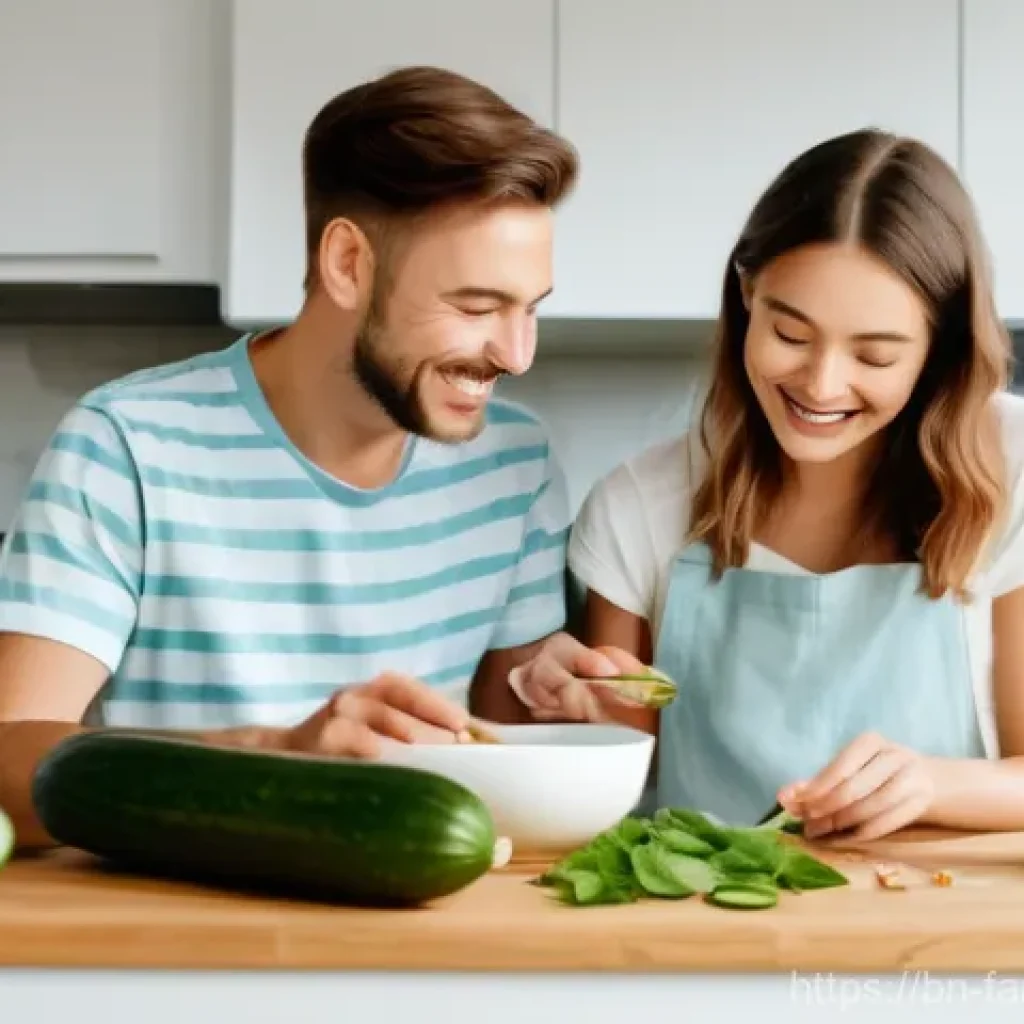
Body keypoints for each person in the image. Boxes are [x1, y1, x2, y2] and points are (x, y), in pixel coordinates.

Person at [0, 66, 634, 849]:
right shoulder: (125, 445)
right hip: (180, 929)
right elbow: (9, 764)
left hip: (421, 914)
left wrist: (544, 699)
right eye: (476, 307)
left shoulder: (514, 463)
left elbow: (494, 758)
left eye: (530, 308)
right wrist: (277, 755)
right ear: (348, 264)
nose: (516, 352)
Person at [494, 128, 1024, 841]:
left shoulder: (1011, 470)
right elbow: (628, 766)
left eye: (874, 353)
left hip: (937, 925)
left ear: (938, 351)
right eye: (792, 335)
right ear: (747, 294)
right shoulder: (640, 505)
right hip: (709, 927)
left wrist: (932, 783)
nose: (821, 382)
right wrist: (575, 702)